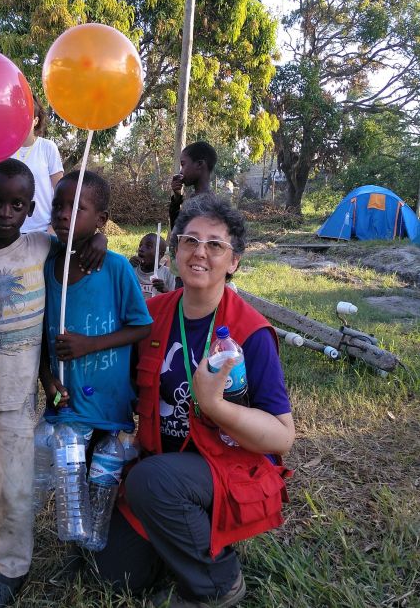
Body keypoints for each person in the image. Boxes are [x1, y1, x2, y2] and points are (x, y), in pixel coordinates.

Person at [94, 195, 295, 608]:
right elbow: (118, 388)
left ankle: (219, 582)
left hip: (228, 467)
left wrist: (216, 406)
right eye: (189, 241)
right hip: (161, 465)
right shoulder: (150, 316)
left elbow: (281, 438)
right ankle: (179, 538)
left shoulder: (251, 332)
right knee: (114, 574)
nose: (200, 252)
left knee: (152, 482)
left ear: (233, 261)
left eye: (215, 245)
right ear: (176, 251)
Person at [0, 159, 107, 608]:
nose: (5, 212)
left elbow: (78, 238)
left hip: (16, 398)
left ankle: (12, 568)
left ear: (30, 207)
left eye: (15, 204)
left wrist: (101, 238)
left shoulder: (40, 248)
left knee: (16, 486)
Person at [40, 170, 152, 433]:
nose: (63, 214)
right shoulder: (46, 264)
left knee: (105, 473)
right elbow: (41, 336)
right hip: (64, 409)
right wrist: (47, 379)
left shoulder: (117, 268)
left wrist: (90, 344)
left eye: (77, 208)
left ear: (101, 219)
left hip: (109, 411)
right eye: (57, 205)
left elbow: (143, 327)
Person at [10, 93, 64, 233]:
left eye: (26, 116)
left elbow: (61, 191)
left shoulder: (47, 148)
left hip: (42, 232)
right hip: (9, 232)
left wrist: (53, 226)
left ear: (35, 120)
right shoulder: (4, 148)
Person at [169, 141, 217, 230]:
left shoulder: (206, 205)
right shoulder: (195, 199)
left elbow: (180, 236)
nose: (181, 171)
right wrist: (177, 198)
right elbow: (178, 232)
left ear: (199, 164)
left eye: (183, 164)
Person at [129, 232, 176, 299]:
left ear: (160, 254)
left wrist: (166, 291)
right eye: (140, 245)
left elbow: (174, 300)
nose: (141, 249)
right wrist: (127, 267)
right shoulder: (132, 269)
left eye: (148, 246)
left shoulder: (168, 273)